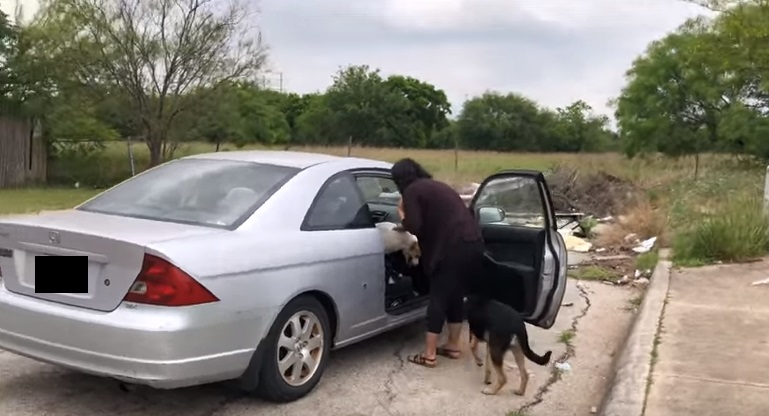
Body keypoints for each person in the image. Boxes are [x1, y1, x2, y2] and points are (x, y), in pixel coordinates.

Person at [391, 158, 486, 368]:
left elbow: (414, 225)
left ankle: (429, 354)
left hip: (451, 248)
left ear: (400, 179)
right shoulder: (438, 186)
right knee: (455, 294)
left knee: (438, 296)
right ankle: (452, 345)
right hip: (474, 243)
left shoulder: (412, 191)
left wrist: (401, 214)